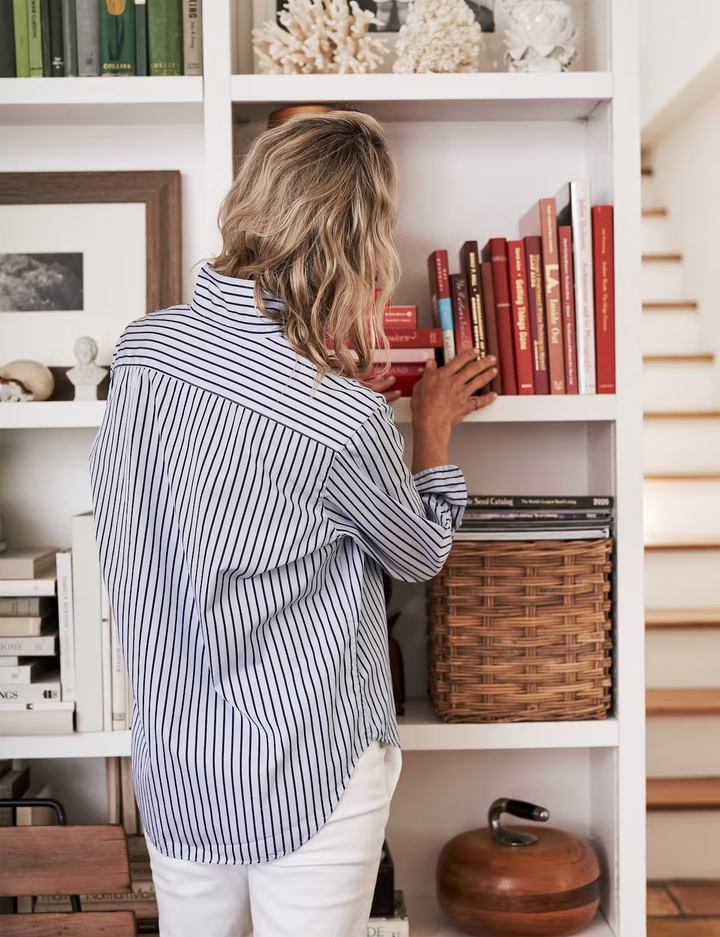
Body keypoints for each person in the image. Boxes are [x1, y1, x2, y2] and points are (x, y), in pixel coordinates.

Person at [89, 112, 497, 937]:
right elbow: (418, 552)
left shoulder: (141, 353)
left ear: (253, 200)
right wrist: (429, 429)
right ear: (358, 244)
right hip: (307, 759)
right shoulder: (341, 419)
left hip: (177, 749)